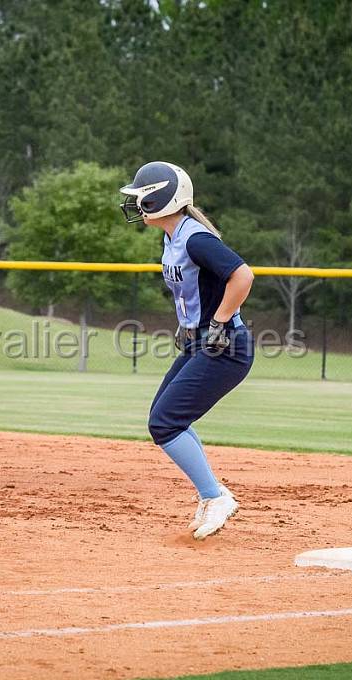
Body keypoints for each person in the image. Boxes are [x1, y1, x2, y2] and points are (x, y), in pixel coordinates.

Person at [120, 162, 255, 539]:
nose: (137, 202)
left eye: (142, 195)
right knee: (165, 419)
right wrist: (190, 324)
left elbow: (242, 276)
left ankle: (216, 496)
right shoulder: (172, 236)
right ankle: (211, 494)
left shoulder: (194, 237)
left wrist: (218, 321)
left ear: (163, 199)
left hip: (225, 347)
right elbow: (196, 288)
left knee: (164, 423)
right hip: (203, 342)